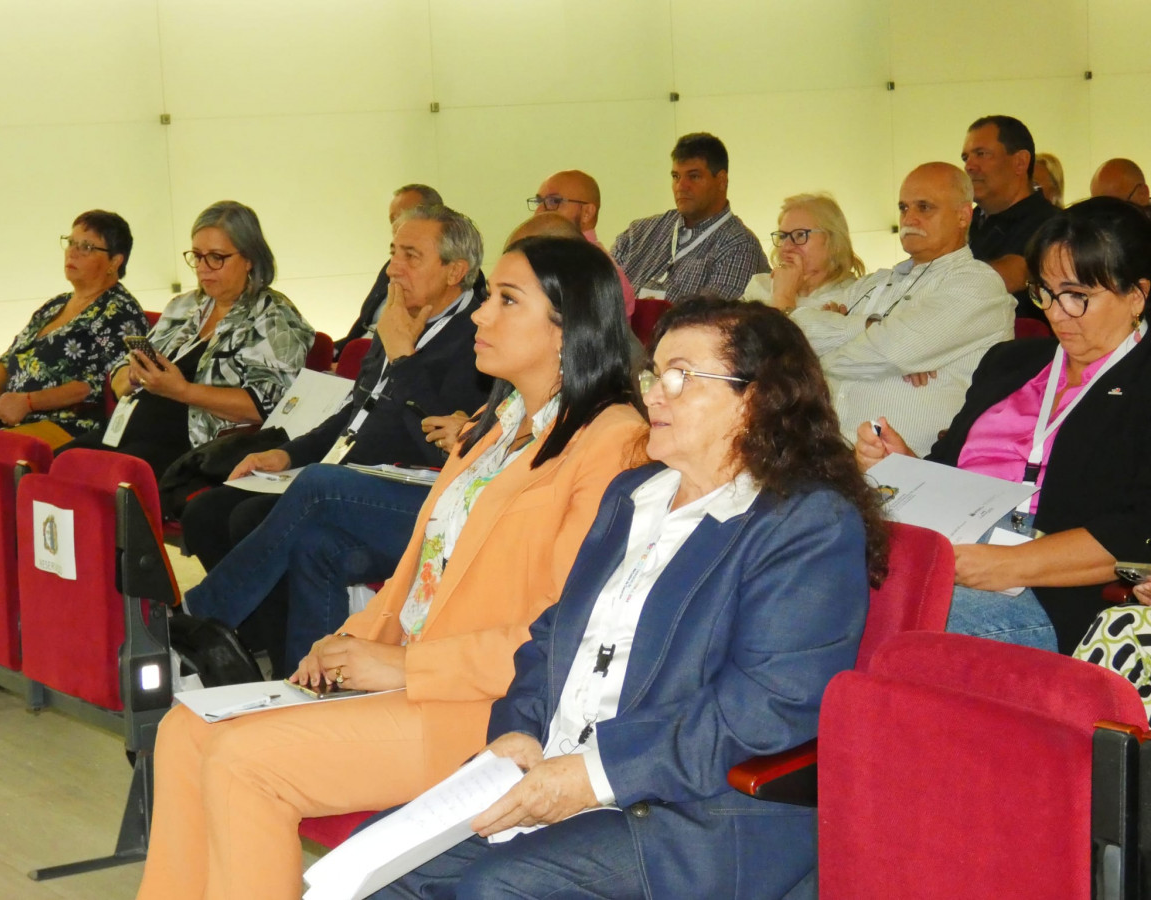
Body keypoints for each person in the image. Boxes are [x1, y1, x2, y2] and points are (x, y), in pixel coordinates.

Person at [135, 236, 647, 900]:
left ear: (569, 327)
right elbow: (419, 572)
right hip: (409, 682)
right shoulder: (497, 426)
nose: (481, 317)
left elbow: (565, 638)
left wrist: (405, 666)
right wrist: (351, 642)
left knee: (244, 763)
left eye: (505, 301)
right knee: (184, 730)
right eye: (488, 299)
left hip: (489, 710)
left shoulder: (613, 443)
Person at [374, 297, 887, 900]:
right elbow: (553, 636)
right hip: (555, 769)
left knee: (498, 889)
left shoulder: (805, 524)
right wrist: (518, 731)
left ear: (757, 398)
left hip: (688, 808)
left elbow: (765, 708)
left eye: (681, 376)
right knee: (384, 861)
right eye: (654, 373)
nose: (654, 394)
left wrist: (594, 775)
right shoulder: (634, 493)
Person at [181, 205, 492, 673]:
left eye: (410, 255)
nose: (393, 269)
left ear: (455, 271)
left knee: (300, 494)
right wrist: (285, 453)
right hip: (353, 470)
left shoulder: (476, 340)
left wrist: (403, 357)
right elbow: (353, 412)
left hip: (421, 490)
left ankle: (200, 616)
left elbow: (439, 441)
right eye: (393, 253)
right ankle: (303, 679)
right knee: (252, 521)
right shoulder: (399, 315)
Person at [856, 197, 1151, 655]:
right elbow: (950, 470)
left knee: (892, 623)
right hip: (958, 559)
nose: (1055, 312)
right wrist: (903, 465)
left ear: (1136, 293)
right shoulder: (1009, 364)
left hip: (1056, 593)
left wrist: (1009, 565)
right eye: (1045, 292)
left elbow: (1135, 532)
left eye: (1078, 297)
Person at [60, 200, 314, 478]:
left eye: (216, 257)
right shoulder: (186, 305)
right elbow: (122, 370)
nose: (203, 268)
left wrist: (182, 391)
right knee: (59, 463)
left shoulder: (273, 315)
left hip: (190, 448)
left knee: (95, 477)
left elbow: (267, 406)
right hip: (126, 431)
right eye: (197, 256)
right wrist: (131, 375)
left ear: (249, 258)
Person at [782, 163, 1014, 456]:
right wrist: (872, 330)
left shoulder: (976, 284)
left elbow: (887, 352)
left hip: (910, 473)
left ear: (963, 215)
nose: (909, 218)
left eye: (924, 207)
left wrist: (817, 356)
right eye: (904, 207)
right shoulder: (874, 283)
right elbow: (790, 338)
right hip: (826, 457)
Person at [0, 211, 145, 449]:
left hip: (69, 426)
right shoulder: (55, 304)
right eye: (71, 243)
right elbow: (8, 358)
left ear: (115, 261)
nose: (73, 252)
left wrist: (28, 402)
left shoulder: (120, 311)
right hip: (8, 419)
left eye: (87, 247)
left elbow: (93, 386)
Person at [611, 132, 768, 302]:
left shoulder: (739, 246)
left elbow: (710, 323)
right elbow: (597, 298)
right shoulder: (639, 233)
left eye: (694, 176)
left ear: (721, 180)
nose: (681, 186)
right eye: (675, 176)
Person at [962, 114, 1061, 320]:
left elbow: (1008, 277)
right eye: (966, 157)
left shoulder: (1054, 227)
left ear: (1020, 162)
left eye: (981, 154)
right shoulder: (962, 221)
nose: (969, 166)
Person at [334, 183, 445, 357]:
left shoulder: (443, 270)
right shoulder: (390, 265)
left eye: (405, 216)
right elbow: (364, 323)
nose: (397, 225)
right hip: (358, 354)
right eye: (393, 219)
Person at [529, 169, 637, 316]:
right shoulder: (548, 259)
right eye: (539, 202)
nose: (539, 212)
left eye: (554, 201)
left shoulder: (596, 270)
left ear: (587, 213)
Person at [743, 192, 865, 310]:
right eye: (782, 236)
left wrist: (783, 297)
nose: (786, 247)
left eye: (800, 235)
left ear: (833, 240)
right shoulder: (760, 286)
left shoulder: (855, 297)